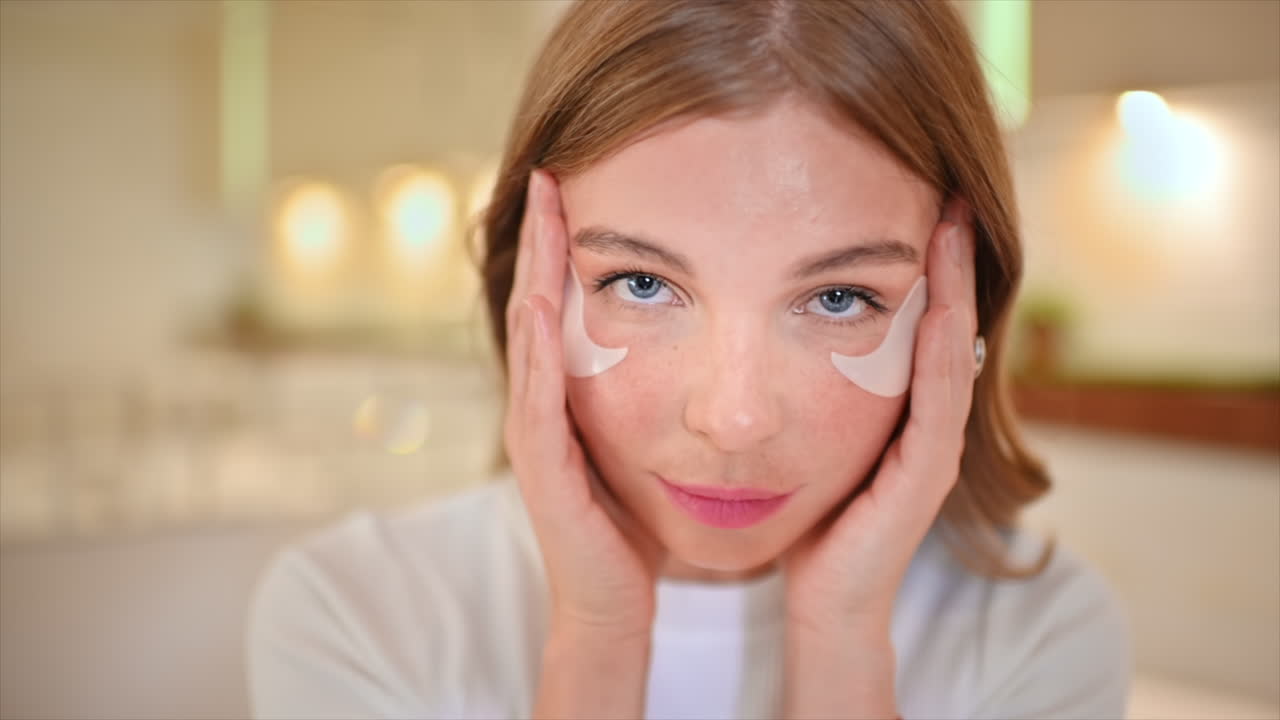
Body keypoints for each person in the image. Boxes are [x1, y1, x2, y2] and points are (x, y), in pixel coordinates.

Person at [247, 1, 1131, 718]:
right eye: (640, 284)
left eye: (839, 298)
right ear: (529, 288)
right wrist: (597, 639)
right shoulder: (357, 614)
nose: (734, 420)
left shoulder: (1039, 635)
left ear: (957, 312)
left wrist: (843, 642)